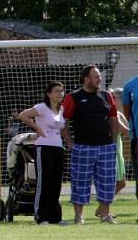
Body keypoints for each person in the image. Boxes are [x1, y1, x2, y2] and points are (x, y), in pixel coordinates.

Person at [60, 65, 119, 224]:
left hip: (106, 147)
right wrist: (70, 143)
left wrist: (113, 142)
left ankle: (105, 215)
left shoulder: (107, 96)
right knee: (80, 181)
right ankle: (79, 216)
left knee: (107, 181)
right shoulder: (73, 97)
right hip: (82, 147)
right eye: (96, 76)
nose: (99, 79)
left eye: (99, 76)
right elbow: (62, 121)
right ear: (86, 79)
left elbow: (114, 119)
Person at [19, 81, 67, 224]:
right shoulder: (41, 107)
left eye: (62, 91)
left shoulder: (61, 109)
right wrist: (36, 128)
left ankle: (55, 217)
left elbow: (62, 127)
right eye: (57, 91)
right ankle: (40, 217)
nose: (60, 93)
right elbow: (23, 115)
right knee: (44, 182)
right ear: (49, 94)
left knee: (56, 183)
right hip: (43, 147)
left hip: (58, 148)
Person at [110, 88, 130, 201]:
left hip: (118, 149)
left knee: (121, 183)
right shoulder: (113, 115)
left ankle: (104, 207)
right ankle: (104, 207)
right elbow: (127, 131)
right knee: (119, 182)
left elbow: (130, 127)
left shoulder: (118, 113)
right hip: (113, 150)